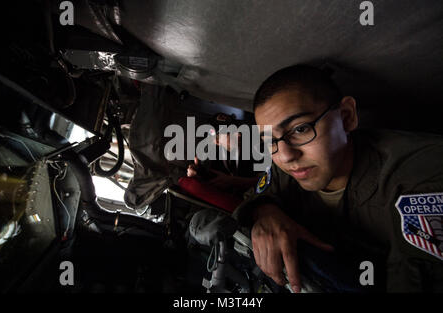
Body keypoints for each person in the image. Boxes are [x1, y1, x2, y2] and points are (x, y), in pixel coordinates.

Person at [233, 64, 443, 292]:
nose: (285, 156)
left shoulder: (421, 177)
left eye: (300, 129)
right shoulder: (287, 171)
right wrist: (266, 213)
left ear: (346, 117)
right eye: (269, 140)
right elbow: (258, 195)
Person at [178, 113, 260, 212]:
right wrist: (197, 178)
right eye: (230, 133)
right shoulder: (210, 158)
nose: (239, 134)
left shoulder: (256, 143)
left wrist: (232, 180)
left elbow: (270, 179)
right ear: (216, 141)